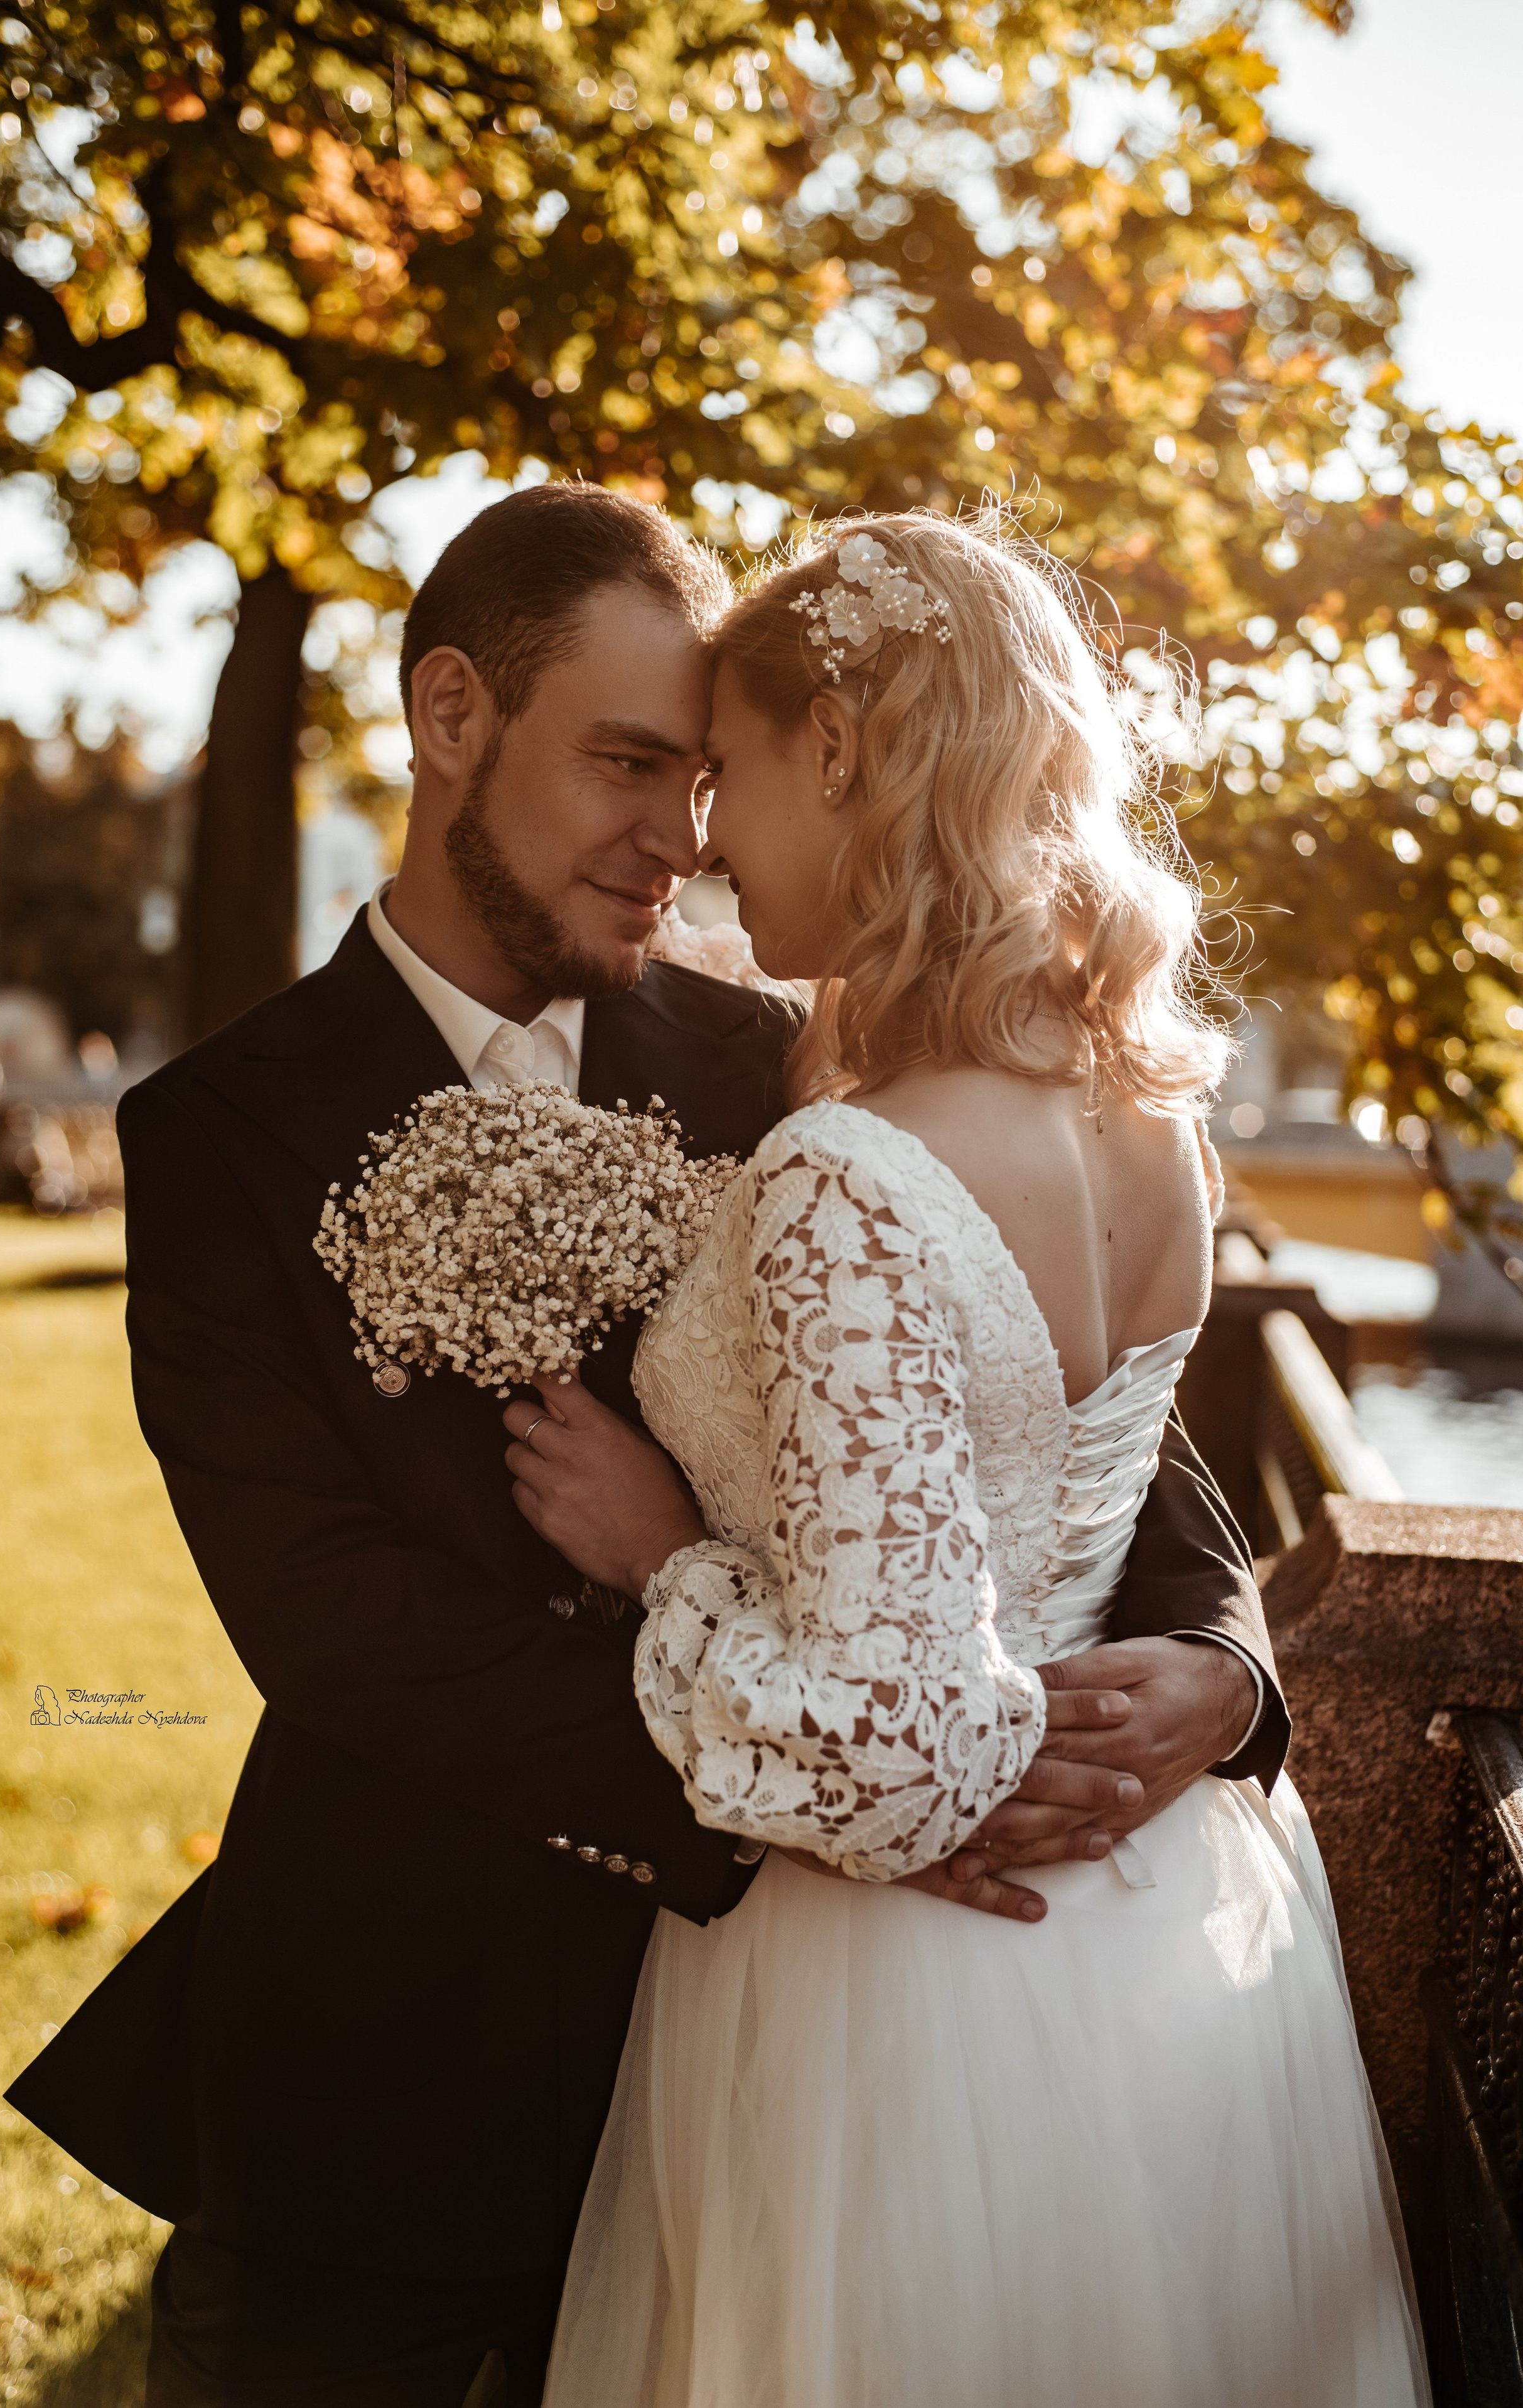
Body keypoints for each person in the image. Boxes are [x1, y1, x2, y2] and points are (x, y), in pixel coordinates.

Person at [8, 483, 1282, 2408]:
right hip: (394, 2055)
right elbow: (327, 1616)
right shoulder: (223, 1131)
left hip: (779, 2082)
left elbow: (1061, 1382)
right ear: (451, 717)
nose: (682, 838)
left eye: (706, 777)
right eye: (625, 765)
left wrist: (1220, 1655)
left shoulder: (798, 1049)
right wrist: (842, 1783)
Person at [505, 512, 1429, 2408]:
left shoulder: (849, 1173)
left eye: (731, 772)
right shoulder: (1148, 1118)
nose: (702, 839)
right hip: (1157, 1930)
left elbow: (895, 1742)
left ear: (837, 748)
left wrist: (662, 1552)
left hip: (899, 1999)